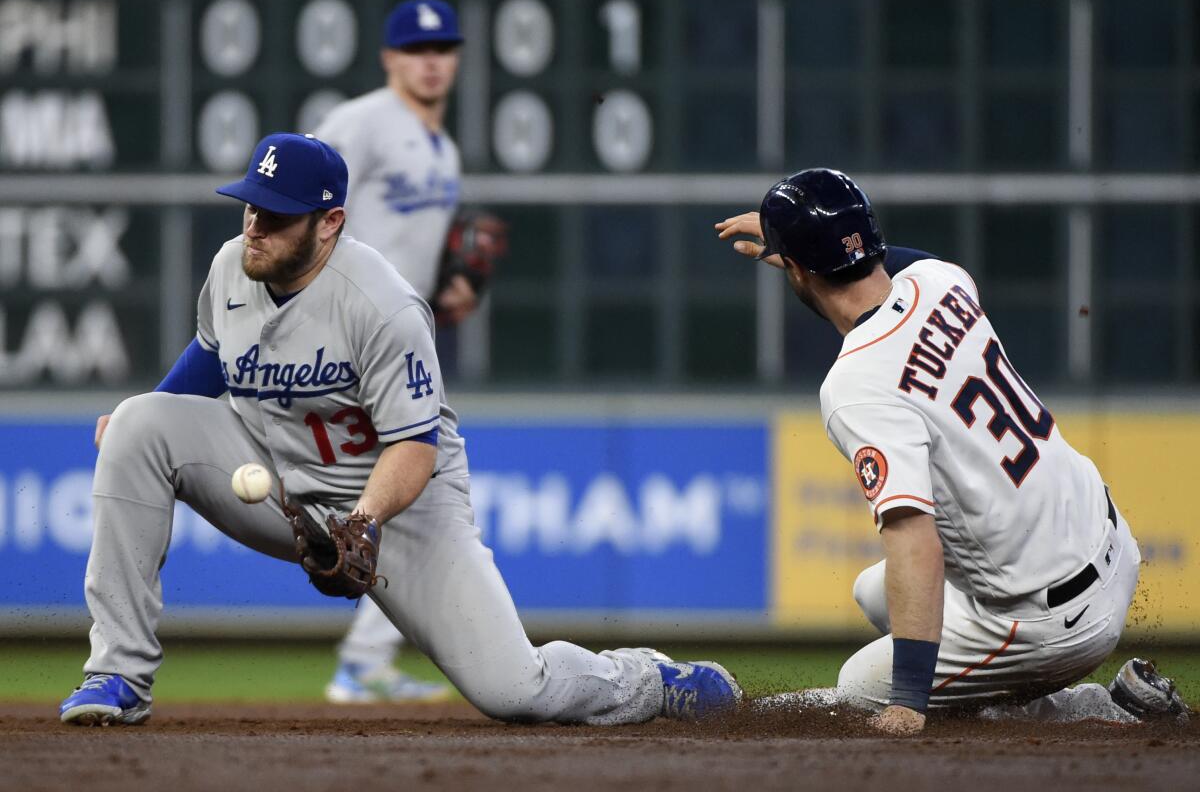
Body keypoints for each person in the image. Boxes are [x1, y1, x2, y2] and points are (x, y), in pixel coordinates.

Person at [58, 132, 741, 727]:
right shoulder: (232, 266)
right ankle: (118, 674)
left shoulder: (381, 305)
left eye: (277, 216)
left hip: (399, 504)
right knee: (137, 422)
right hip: (278, 481)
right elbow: (209, 357)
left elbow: (415, 445)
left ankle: (645, 678)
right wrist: (143, 416)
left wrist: (363, 523)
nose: (255, 226)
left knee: (513, 690)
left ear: (329, 223)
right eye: (250, 206)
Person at [716, 168, 1190, 734]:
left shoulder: (856, 384)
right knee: (874, 592)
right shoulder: (943, 281)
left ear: (795, 269)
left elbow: (913, 535)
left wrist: (908, 701)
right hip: (1112, 542)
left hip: (1047, 621)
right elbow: (894, 265)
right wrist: (807, 252)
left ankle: (1107, 709)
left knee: (859, 688)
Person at [311, 0, 492, 704]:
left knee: (415, 496)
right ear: (389, 58)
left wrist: (452, 291)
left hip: (401, 335)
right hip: (342, 329)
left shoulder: (443, 149)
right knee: (430, 487)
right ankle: (365, 659)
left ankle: (365, 659)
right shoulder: (360, 122)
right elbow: (298, 195)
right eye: (418, 49)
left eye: (443, 48)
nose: (431, 60)